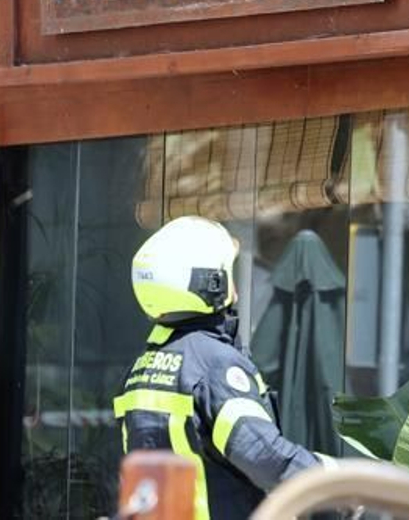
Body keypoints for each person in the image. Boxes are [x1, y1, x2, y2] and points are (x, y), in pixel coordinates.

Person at [114, 216, 323, 519]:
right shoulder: (214, 365)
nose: (236, 289)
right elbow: (262, 454)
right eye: (229, 275)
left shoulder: (140, 369)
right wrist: (333, 482)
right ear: (212, 284)